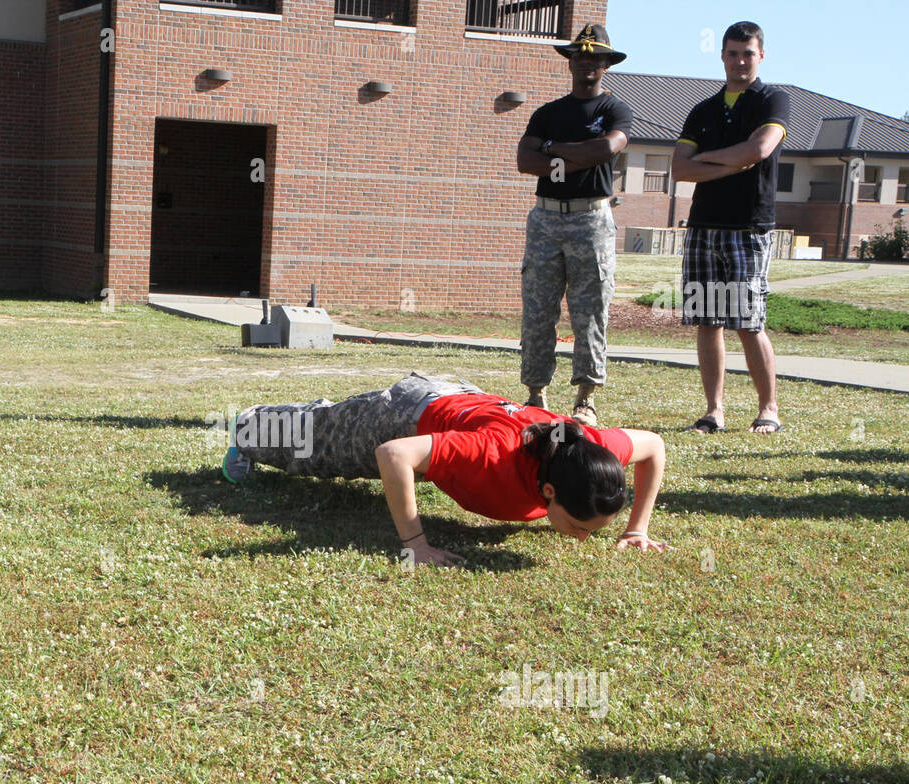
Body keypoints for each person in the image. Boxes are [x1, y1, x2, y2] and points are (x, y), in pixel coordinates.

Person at [221, 373, 669, 566]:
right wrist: (415, 544)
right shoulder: (494, 454)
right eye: (578, 526)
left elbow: (654, 446)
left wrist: (637, 528)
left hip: (464, 401)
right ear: (549, 492)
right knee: (313, 444)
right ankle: (246, 427)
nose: (583, 538)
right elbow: (394, 455)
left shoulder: (593, 450)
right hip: (410, 410)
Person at [672, 21, 790, 434]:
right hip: (704, 227)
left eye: (748, 53)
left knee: (747, 322)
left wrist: (708, 160)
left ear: (761, 56)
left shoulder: (773, 100)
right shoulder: (703, 110)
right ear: (722, 55)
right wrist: (732, 160)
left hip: (749, 228)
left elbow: (759, 150)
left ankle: (768, 409)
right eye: (733, 53)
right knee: (708, 320)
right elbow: (679, 169)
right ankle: (713, 411)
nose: (740, 60)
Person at [515, 24, 632, 429]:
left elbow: (606, 148)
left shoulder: (615, 110)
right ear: (571, 62)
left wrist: (551, 151)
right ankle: (535, 394)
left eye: (595, 57)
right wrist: (575, 155)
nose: (587, 62)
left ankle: (586, 398)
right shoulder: (548, 112)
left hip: (591, 219)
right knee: (538, 308)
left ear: (605, 64)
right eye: (580, 55)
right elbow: (524, 161)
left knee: (590, 312)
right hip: (546, 217)